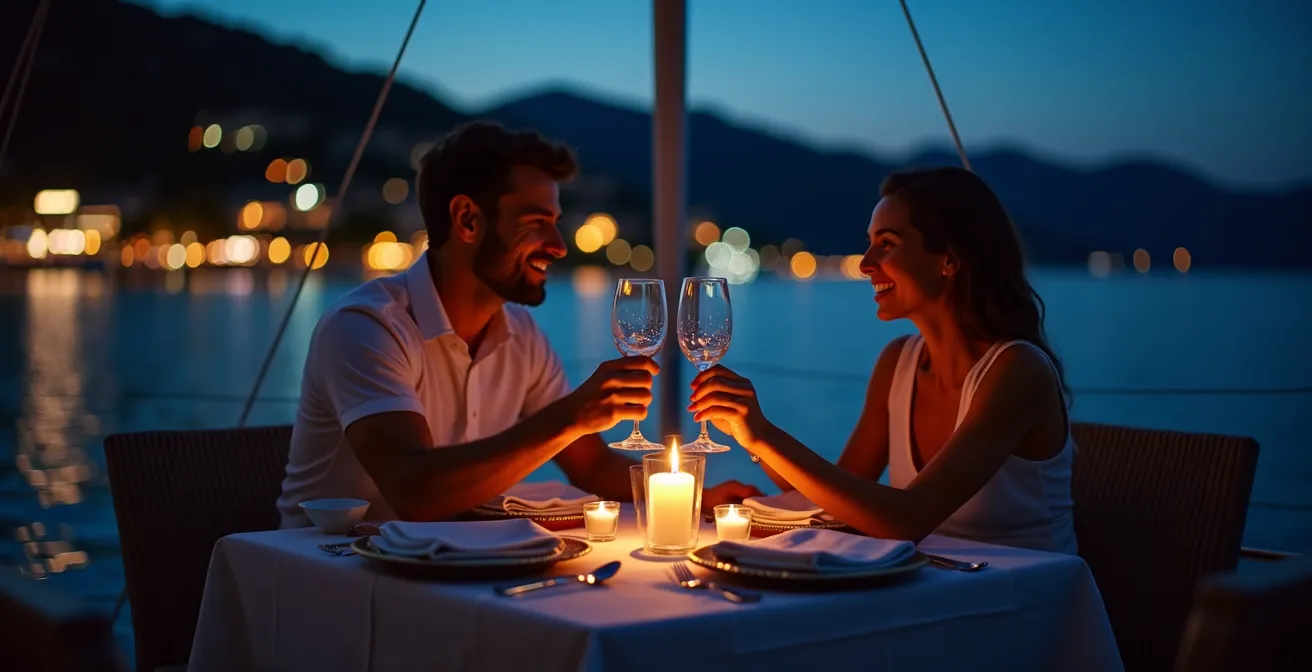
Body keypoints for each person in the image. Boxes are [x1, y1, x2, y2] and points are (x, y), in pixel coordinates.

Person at [277, 121, 758, 527]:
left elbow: (589, 462)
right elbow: (414, 489)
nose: (559, 245)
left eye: (556, 221)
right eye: (537, 221)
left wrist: (695, 500)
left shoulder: (520, 336)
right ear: (467, 219)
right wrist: (571, 415)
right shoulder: (366, 327)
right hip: (331, 579)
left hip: (447, 573)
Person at [688, 166, 1077, 554]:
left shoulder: (1017, 372)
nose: (865, 263)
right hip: (931, 593)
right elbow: (841, 499)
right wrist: (750, 435)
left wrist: (765, 435)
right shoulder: (899, 363)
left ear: (950, 259)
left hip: (1026, 597)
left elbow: (906, 519)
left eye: (887, 244)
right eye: (870, 242)